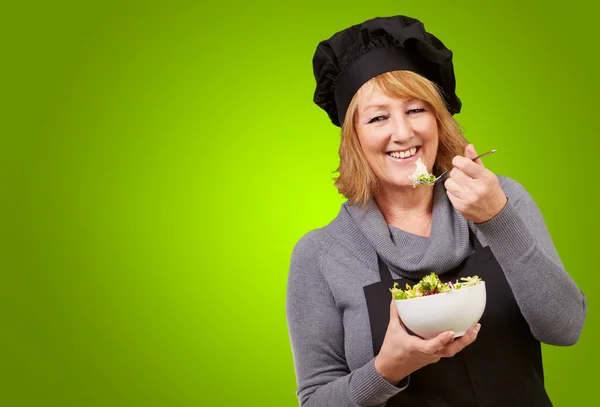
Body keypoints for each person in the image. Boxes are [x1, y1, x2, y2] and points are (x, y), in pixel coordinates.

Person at [285, 15, 587, 407]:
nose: (404, 133)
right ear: (353, 139)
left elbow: (566, 328)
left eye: (416, 110)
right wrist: (386, 370)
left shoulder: (500, 198)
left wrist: (497, 219)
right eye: (378, 117)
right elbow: (315, 400)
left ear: (438, 120)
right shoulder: (321, 256)